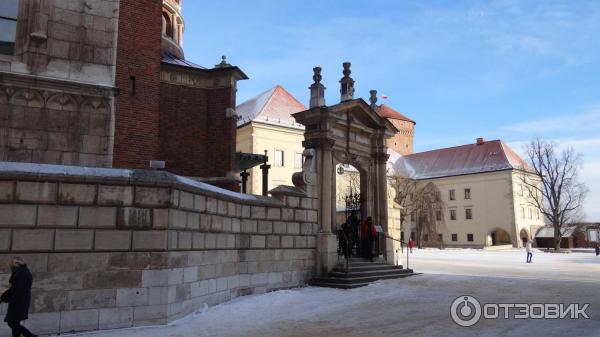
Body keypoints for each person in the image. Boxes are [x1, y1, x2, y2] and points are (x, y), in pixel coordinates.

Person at [1, 257, 36, 337]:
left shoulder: (21, 273)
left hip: (18, 302)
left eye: (12, 264)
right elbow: (13, 287)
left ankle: (29, 335)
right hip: (18, 301)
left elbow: (15, 289)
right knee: (14, 323)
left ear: (18, 264)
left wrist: (3, 298)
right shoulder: (20, 272)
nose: (11, 265)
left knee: (12, 322)